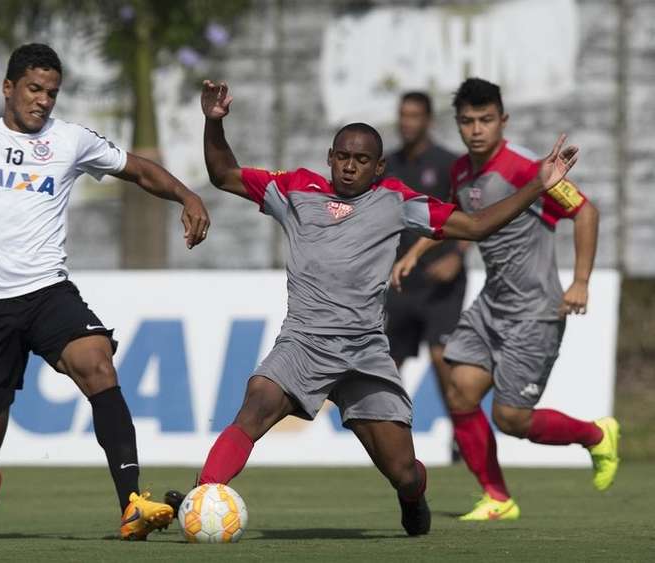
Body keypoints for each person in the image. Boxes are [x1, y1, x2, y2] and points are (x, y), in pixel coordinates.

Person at [165, 78, 580, 537]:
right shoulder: (296, 189)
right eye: (342, 157)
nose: (348, 167)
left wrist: (538, 187)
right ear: (330, 157)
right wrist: (213, 122)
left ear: (378, 166)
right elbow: (224, 174)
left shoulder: (395, 201)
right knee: (256, 404)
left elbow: (478, 226)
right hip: (302, 342)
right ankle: (202, 496)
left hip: (365, 352)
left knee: (401, 470)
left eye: (361, 160)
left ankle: (413, 496)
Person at [0, 7, 210, 540]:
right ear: (8, 88)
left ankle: (131, 504)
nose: (43, 100)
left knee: (98, 365)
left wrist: (186, 193)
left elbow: (138, 168)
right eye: (34, 89)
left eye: (52, 92)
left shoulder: (69, 140)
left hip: (47, 292)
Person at [394, 77, 618, 522]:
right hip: (492, 304)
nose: (476, 129)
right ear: (457, 124)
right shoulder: (461, 171)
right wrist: (417, 251)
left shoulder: (524, 171)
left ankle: (595, 435)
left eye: (486, 120)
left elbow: (586, 211)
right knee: (459, 391)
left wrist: (581, 281)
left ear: (503, 121)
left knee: (512, 419)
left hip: (536, 311)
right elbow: (456, 217)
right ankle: (497, 496)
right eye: (467, 121)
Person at [382, 91, 465, 418]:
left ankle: (461, 436)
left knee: (442, 358)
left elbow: (471, 214)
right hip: (402, 279)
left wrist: (457, 255)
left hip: (440, 281)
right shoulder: (387, 165)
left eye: (414, 115)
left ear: (428, 120)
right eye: (403, 115)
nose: (407, 122)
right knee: (386, 364)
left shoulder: (448, 164)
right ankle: (385, 435)